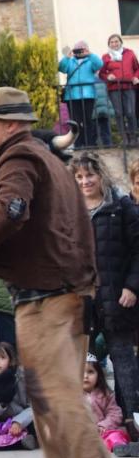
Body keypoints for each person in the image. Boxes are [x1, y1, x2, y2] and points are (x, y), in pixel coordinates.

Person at [0, 85, 131, 458]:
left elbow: (12, 207)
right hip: (65, 290)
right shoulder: (51, 161)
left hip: (47, 297)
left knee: (54, 389)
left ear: (11, 125)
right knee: (42, 387)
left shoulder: (19, 157)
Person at [70, 151, 139, 431]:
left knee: (124, 365)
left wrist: (132, 286)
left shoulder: (121, 207)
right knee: (81, 365)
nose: (85, 181)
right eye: (79, 177)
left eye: (90, 175)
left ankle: (132, 422)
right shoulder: (70, 212)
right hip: (83, 301)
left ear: (101, 176)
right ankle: (85, 425)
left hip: (118, 299)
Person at [82, 355, 133, 455]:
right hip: (81, 433)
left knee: (115, 436)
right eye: (81, 372)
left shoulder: (105, 393)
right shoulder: (71, 395)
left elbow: (115, 414)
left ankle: (119, 447)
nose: (85, 376)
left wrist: (103, 426)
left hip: (102, 432)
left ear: (98, 375)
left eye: (90, 372)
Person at [59, 42, 103, 149]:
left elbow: (99, 64)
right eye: (77, 50)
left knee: (88, 120)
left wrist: (90, 54)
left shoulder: (90, 60)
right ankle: (78, 144)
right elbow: (61, 68)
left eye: (81, 50)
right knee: (75, 121)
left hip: (88, 95)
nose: (79, 52)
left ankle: (90, 144)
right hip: (72, 96)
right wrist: (66, 57)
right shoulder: (70, 61)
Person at [98, 34, 139, 147]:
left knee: (130, 113)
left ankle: (134, 138)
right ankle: (124, 138)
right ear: (109, 44)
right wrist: (108, 77)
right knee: (119, 113)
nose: (114, 44)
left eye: (116, 41)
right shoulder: (106, 57)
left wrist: (136, 77)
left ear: (121, 42)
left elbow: (137, 69)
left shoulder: (129, 53)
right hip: (114, 88)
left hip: (129, 86)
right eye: (112, 42)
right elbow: (101, 73)